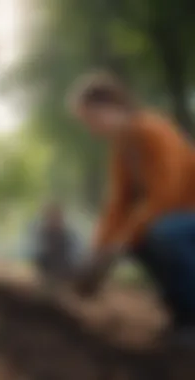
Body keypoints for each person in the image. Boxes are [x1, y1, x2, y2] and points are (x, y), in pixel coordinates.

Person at [69, 72, 195, 330]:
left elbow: (165, 197)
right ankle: (180, 312)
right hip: (176, 219)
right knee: (140, 242)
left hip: (187, 214)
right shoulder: (122, 150)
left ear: (111, 107)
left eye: (91, 119)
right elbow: (117, 205)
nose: (91, 129)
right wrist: (99, 249)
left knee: (162, 235)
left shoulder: (153, 131)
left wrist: (122, 239)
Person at [34, 202, 80, 281]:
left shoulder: (66, 237)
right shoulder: (44, 233)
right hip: (48, 274)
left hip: (63, 273)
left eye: (56, 217)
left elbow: (70, 260)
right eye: (50, 217)